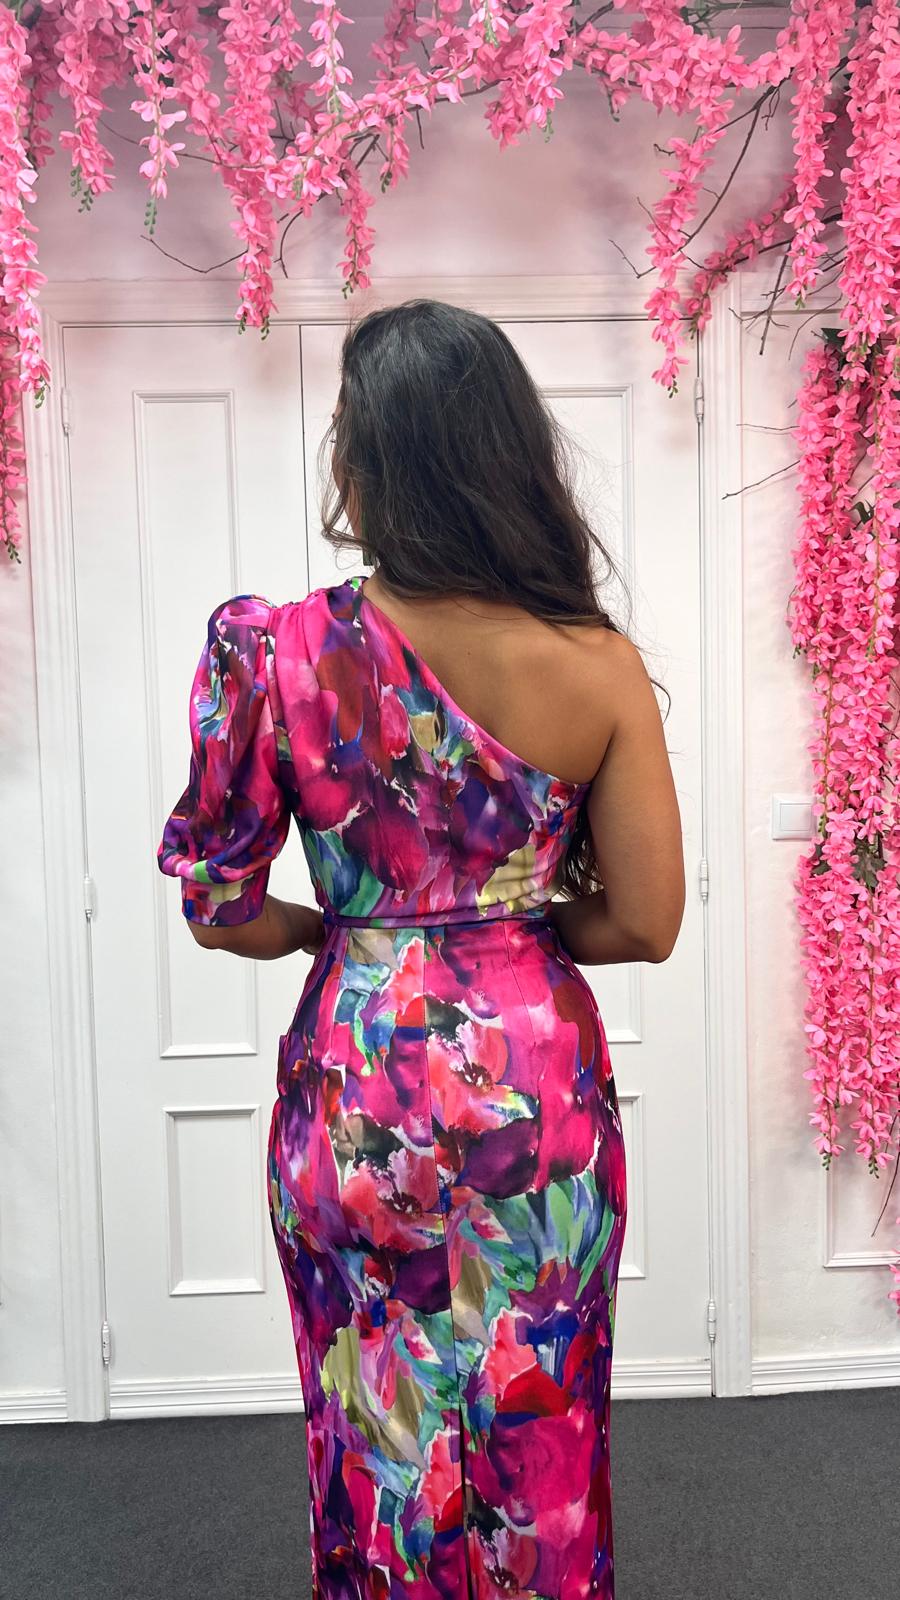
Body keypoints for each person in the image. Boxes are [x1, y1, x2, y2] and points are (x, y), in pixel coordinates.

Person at [157, 299, 685, 1600]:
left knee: (377, 1432)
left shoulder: (276, 654)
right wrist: (504, 925)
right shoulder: (595, 665)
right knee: (537, 1421)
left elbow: (220, 905)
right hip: (533, 1087)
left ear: (368, 459)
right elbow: (645, 920)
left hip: (359, 1089)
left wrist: (332, 932)